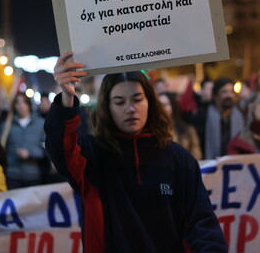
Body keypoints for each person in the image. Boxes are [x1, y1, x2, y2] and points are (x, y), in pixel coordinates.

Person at [45, 52, 227, 252]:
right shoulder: (92, 156)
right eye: (119, 102)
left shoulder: (179, 159)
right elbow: (60, 146)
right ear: (107, 107)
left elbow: (202, 225)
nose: (130, 109)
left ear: (150, 102)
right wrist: (66, 98)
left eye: (137, 99)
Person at [0, 92, 48, 189]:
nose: (21, 106)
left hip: (33, 175)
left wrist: (30, 153)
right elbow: (1, 148)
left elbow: (47, 149)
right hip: (12, 174)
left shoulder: (41, 124)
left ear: (29, 104)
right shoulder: (7, 125)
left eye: (24, 102)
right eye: (17, 103)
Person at [204, 77, 245, 159]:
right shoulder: (204, 116)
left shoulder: (240, 116)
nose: (229, 95)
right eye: (224, 92)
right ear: (215, 96)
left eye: (231, 92)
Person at [159, 91, 202, 160]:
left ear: (172, 106)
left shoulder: (188, 130)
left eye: (165, 105)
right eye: (159, 106)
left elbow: (196, 155)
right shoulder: (154, 132)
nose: (162, 109)